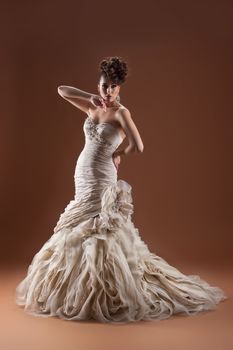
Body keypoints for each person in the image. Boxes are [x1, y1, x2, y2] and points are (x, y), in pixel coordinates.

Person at [15, 56, 228, 324]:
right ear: (99, 84)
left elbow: (138, 145)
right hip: (82, 174)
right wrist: (90, 97)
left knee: (99, 227)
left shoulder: (121, 113)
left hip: (103, 175)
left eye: (112, 87)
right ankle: (79, 289)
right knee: (78, 225)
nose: (107, 92)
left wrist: (118, 154)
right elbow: (62, 90)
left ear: (119, 89)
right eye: (104, 86)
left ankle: (105, 291)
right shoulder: (92, 106)